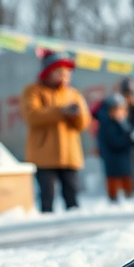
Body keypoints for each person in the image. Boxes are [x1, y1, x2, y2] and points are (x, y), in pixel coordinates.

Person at [21, 50, 91, 213]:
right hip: (44, 154)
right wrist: (61, 111)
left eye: (67, 72)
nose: (64, 75)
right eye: (59, 71)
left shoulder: (73, 93)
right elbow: (32, 116)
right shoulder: (33, 91)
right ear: (48, 71)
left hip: (70, 154)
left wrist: (77, 114)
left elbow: (83, 123)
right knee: (47, 197)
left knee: (72, 196)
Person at [96, 93, 134, 202]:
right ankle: (113, 198)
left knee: (127, 178)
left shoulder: (124, 123)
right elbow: (115, 141)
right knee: (113, 180)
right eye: (116, 109)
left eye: (121, 109)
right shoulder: (107, 124)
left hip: (124, 158)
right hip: (112, 158)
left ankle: (129, 196)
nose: (119, 113)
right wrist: (129, 139)